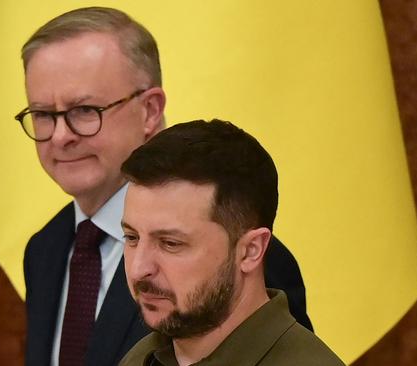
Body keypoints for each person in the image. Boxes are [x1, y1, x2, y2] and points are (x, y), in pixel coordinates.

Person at [17, 7, 311, 366]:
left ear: (150, 110)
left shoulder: (235, 252)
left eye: (83, 111)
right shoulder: (45, 248)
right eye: (44, 114)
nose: (61, 136)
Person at [118, 120, 344, 366]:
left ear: (250, 251)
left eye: (171, 243)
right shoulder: (141, 358)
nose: (139, 268)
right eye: (132, 237)